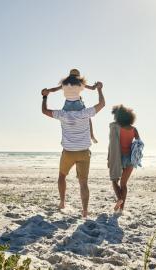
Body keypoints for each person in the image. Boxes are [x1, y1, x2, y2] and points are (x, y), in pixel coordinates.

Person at [41, 82, 105, 218]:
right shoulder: (85, 113)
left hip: (68, 152)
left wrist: (45, 97)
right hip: (84, 153)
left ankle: (62, 202)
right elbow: (102, 103)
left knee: (62, 176)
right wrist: (99, 89)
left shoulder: (62, 114)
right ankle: (85, 211)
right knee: (83, 183)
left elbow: (44, 111)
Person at [43, 69, 100, 143]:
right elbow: (92, 88)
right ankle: (91, 136)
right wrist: (96, 85)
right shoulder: (80, 83)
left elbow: (54, 89)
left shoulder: (64, 83)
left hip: (68, 104)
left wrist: (47, 91)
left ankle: (64, 139)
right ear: (78, 76)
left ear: (69, 76)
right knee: (87, 118)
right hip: (78, 104)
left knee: (63, 119)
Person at [107, 105, 140, 212]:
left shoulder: (116, 128)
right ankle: (121, 209)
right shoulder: (134, 129)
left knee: (114, 180)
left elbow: (111, 145)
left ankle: (120, 199)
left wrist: (109, 159)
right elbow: (139, 143)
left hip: (118, 158)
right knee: (124, 184)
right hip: (130, 158)